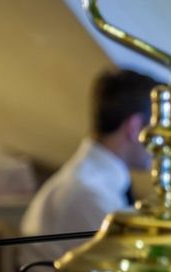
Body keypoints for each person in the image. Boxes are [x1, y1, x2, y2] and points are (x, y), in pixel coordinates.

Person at [21, 69, 158, 237]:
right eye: (159, 129)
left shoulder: (92, 182)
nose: (163, 143)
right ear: (134, 127)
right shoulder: (89, 194)